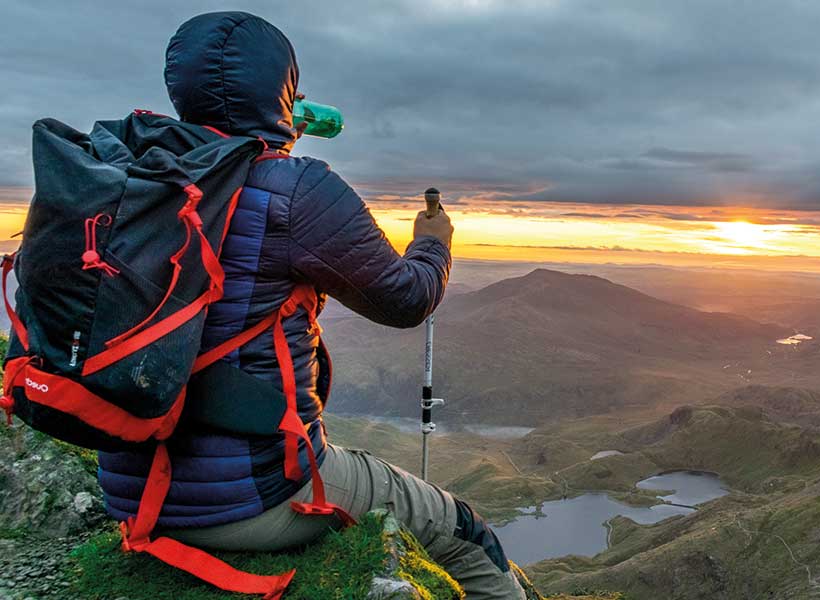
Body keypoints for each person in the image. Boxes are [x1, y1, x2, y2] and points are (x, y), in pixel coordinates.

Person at [96, 11, 526, 599]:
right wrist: (433, 240)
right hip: (258, 498)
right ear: (282, 87)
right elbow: (407, 299)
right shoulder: (297, 189)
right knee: (468, 532)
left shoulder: (128, 178)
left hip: (129, 487)